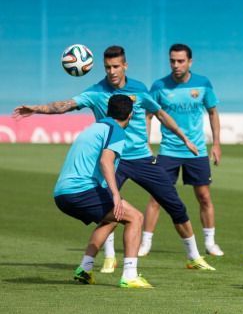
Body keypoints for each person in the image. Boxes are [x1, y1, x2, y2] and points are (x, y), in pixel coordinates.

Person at [13, 45, 215, 273]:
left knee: (175, 205)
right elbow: (65, 106)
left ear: (125, 65)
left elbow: (160, 113)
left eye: (116, 66)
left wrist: (184, 138)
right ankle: (107, 258)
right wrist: (37, 109)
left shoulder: (139, 89)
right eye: (108, 67)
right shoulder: (96, 91)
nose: (112, 71)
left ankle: (194, 256)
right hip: (112, 161)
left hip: (142, 159)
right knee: (110, 212)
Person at [52, 94, 151, 288]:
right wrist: (115, 195)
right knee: (136, 218)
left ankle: (85, 269)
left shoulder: (95, 127)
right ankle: (130, 275)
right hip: (80, 190)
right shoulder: (116, 130)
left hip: (61, 193)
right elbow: (105, 161)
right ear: (131, 115)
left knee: (112, 219)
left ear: (108, 111)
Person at [136, 43, 223, 257]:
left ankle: (210, 243)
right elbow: (147, 115)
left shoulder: (203, 84)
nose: (176, 65)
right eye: (172, 61)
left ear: (190, 62)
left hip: (196, 151)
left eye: (180, 61)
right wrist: (145, 143)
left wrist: (217, 143)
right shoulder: (159, 86)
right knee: (156, 197)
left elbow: (213, 113)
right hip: (169, 151)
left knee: (203, 196)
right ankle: (145, 243)